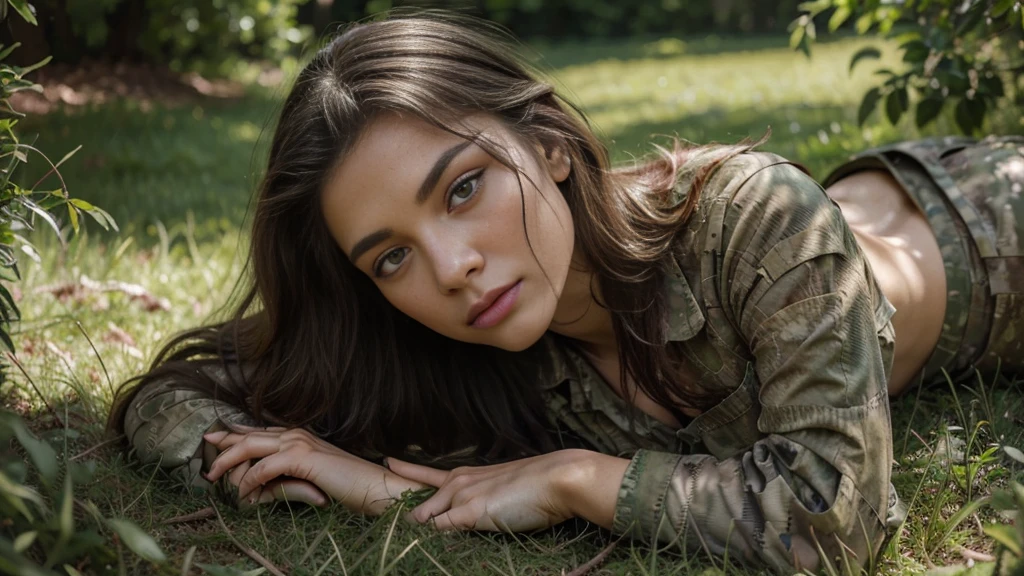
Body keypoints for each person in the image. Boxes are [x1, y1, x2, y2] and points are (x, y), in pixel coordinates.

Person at [107, 11, 1024, 574]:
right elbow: (171, 398)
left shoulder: (756, 214)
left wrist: (581, 480)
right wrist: (353, 485)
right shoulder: (458, 342)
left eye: (464, 188)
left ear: (547, 143)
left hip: (994, 225)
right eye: (390, 258)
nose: (451, 267)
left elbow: (834, 524)